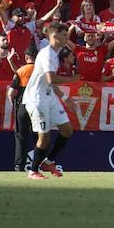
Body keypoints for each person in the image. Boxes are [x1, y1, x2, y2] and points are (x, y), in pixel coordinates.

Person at [22, 23, 74, 179]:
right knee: (44, 138)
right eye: (64, 35)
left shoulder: (55, 53)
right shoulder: (47, 54)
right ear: (55, 36)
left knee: (67, 130)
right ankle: (33, 171)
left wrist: (64, 97)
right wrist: (72, 80)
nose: (66, 37)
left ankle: (48, 162)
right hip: (37, 98)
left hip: (49, 96)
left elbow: (50, 82)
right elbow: (51, 78)